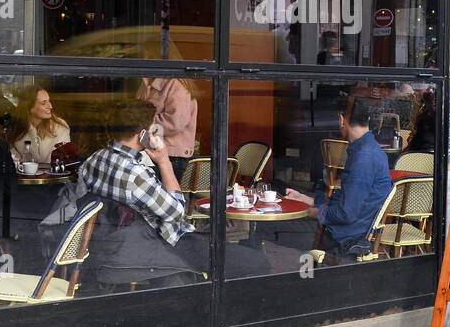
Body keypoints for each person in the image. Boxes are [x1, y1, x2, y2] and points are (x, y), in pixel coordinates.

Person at [51, 100, 266, 278]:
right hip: (165, 245)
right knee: (258, 262)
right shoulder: (135, 174)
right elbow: (177, 213)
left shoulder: (93, 161)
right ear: (143, 134)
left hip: (112, 246)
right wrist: (164, 162)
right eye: (154, 125)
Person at [284, 97, 393, 257]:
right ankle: (305, 277)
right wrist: (306, 199)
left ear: (342, 120)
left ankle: (302, 278)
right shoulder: (367, 149)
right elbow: (347, 202)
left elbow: (345, 213)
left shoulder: (364, 157)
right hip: (344, 229)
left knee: (266, 228)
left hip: (340, 238)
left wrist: (305, 211)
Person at [136, 77, 198, 181]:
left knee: (163, 196)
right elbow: (136, 108)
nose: (146, 60)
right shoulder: (146, 80)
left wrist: (143, 119)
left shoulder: (176, 84)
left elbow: (175, 123)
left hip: (172, 156)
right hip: (149, 150)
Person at [6, 86, 71, 166]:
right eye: (43, 103)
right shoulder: (15, 129)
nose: (50, 106)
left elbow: (65, 162)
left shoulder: (60, 128)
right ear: (30, 107)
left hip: (53, 177)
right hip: (24, 177)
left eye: (49, 101)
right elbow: (13, 162)